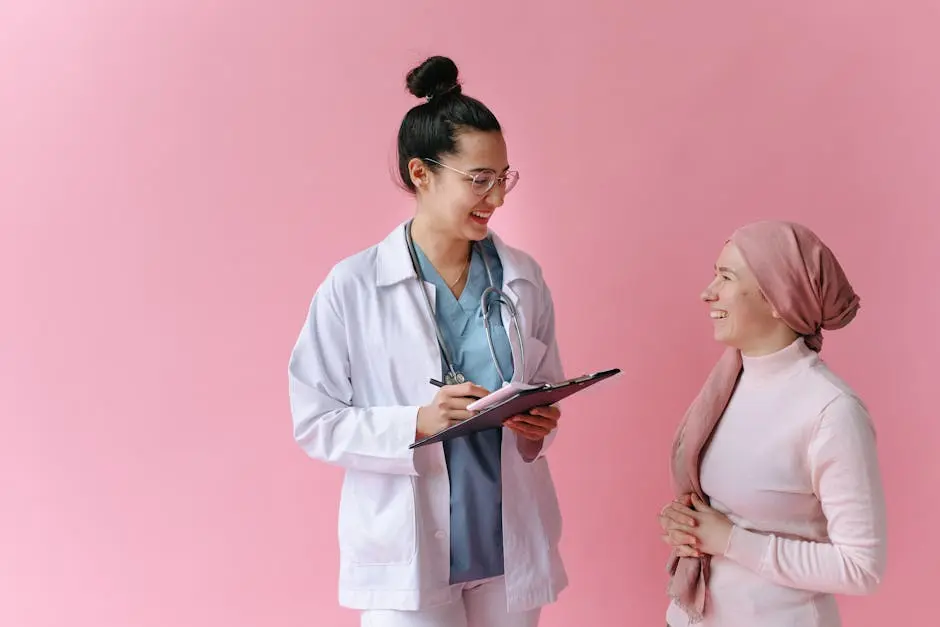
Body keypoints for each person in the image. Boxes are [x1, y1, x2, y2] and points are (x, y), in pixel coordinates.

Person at [287, 55, 567, 627]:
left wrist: (540, 426)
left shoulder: (523, 277)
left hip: (506, 544)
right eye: (479, 179)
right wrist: (416, 422)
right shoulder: (355, 286)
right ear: (422, 174)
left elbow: (546, 390)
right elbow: (315, 421)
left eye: (503, 177)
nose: (497, 197)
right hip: (407, 552)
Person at [658, 221, 887, 627]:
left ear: (777, 298)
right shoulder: (726, 389)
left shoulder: (832, 411)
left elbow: (861, 568)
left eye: (726, 277)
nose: (708, 291)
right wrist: (688, 524)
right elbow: (723, 511)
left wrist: (729, 541)